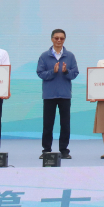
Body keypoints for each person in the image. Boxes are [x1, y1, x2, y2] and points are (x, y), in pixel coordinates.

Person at [36, 28, 80, 160]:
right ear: (52, 39)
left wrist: (66, 71)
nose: (59, 40)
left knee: (65, 124)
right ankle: (46, 150)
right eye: (56, 38)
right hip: (49, 95)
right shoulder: (44, 56)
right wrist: (53, 72)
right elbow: (40, 73)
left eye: (61, 38)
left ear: (64, 40)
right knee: (48, 124)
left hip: (65, 95)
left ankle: (64, 150)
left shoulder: (70, 56)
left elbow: (75, 73)